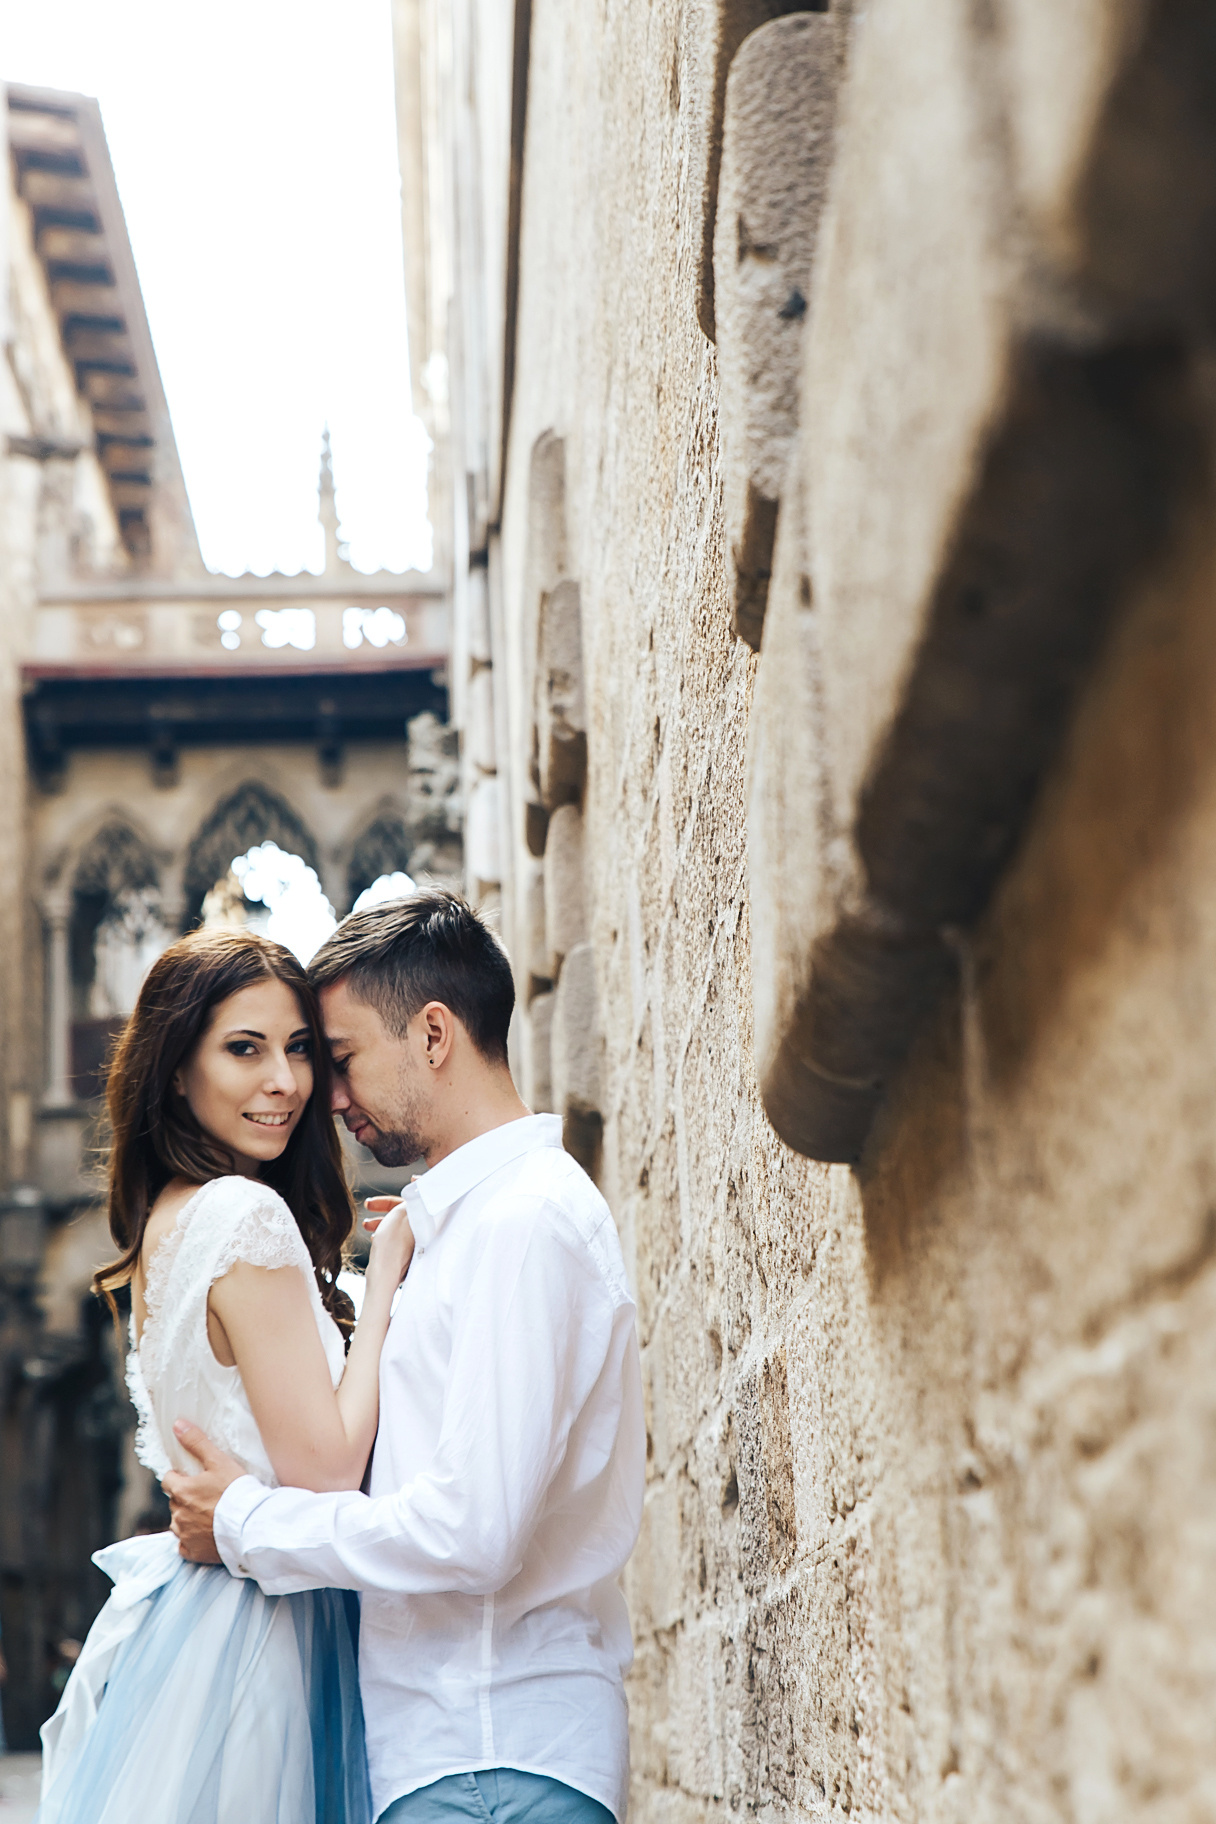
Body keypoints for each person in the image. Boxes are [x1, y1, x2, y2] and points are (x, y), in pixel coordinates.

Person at [166, 891, 645, 1824]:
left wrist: (246, 1524)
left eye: (340, 1060)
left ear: (433, 1035)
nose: (326, 1099)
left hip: (493, 1759)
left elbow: (473, 1531)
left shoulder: (524, 1224)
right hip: (459, 1761)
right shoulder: (466, 1226)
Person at [36, 928, 414, 1824]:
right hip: (262, 1635)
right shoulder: (245, 1214)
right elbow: (324, 1469)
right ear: (175, 1068)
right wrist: (388, 1273)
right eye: (243, 1049)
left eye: (299, 1050)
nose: (283, 1082)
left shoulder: (167, 1216)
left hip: (196, 1620)